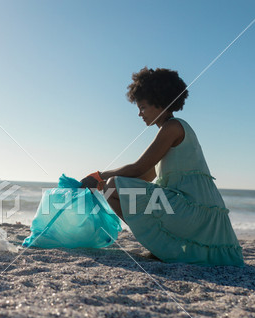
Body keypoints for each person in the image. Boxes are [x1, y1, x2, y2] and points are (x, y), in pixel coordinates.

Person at [81, 67, 244, 267]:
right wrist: (102, 183)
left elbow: (137, 167)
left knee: (112, 184)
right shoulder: (169, 129)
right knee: (111, 187)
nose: (139, 114)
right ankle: (161, 247)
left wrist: (98, 176)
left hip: (189, 210)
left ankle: (160, 247)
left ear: (160, 103)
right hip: (183, 208)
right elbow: (146, 175)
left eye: (142, 107)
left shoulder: (172, 127)